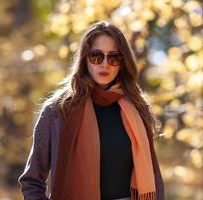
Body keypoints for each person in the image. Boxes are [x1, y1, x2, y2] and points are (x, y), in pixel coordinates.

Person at [18, 21, 164, 200]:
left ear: (122, 63)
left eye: (113, 57)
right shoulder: (57, 110)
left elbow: (154, 178)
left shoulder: (137, 107)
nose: (105, 64)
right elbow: (32, 181)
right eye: (96, 56)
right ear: (84, 58)